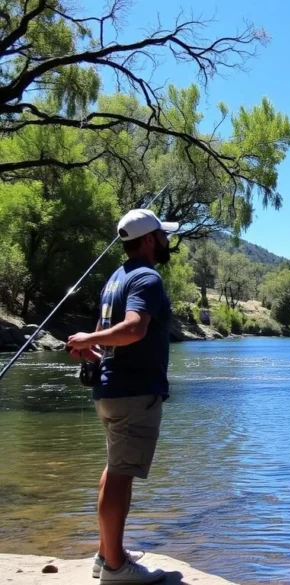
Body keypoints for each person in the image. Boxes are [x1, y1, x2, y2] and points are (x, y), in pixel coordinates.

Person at [66, 209, 179, 584]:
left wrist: (91, 343)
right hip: (133, 392)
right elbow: (131, 330)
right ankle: (115, 568)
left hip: (111, 389)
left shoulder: (115, 278)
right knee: (120, 476)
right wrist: (91, 340)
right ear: (148, 240)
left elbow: (104, 329)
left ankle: (106, 554)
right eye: (162, 235)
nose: (166, 241)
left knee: (114, 470)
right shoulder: (148, 277)